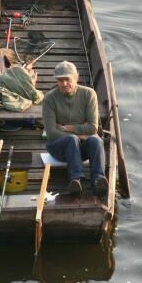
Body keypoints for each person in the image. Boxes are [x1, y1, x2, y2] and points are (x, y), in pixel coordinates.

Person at [42, 61, 109, 197]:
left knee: (96, 141)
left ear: (76, 77)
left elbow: (92, 127)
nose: (64, 83)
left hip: (81, 147)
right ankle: (75, 180)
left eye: (68, 79)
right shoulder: (49, 99)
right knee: (72, 140)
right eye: (60, 80)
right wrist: (81, 134)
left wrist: (68, 128)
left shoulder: (89, 94)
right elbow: (51, 133)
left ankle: (98, 180)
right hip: (58, 147)